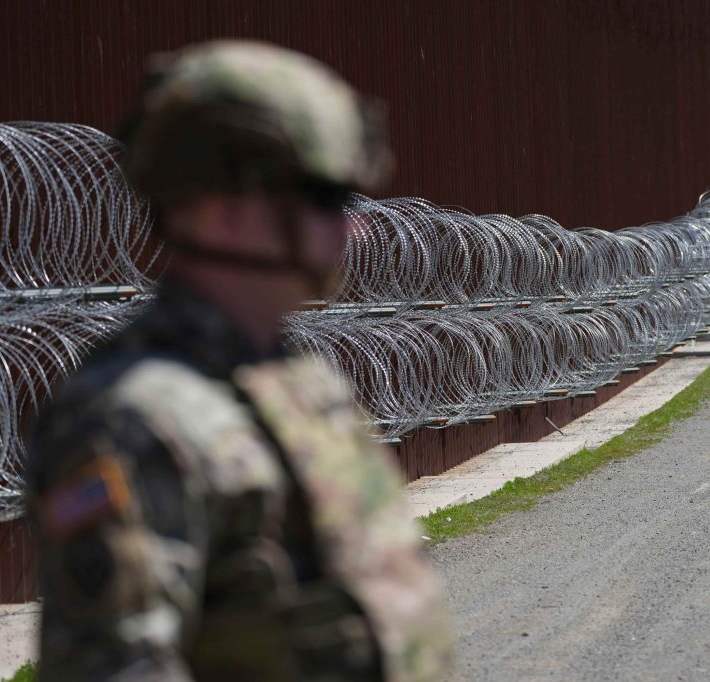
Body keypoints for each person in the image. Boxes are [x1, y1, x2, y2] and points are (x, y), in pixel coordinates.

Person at [25, 41, 452, 681]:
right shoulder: (132, 420)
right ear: (223, 212)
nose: (355, 228)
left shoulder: (291, 377)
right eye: (325, 197)